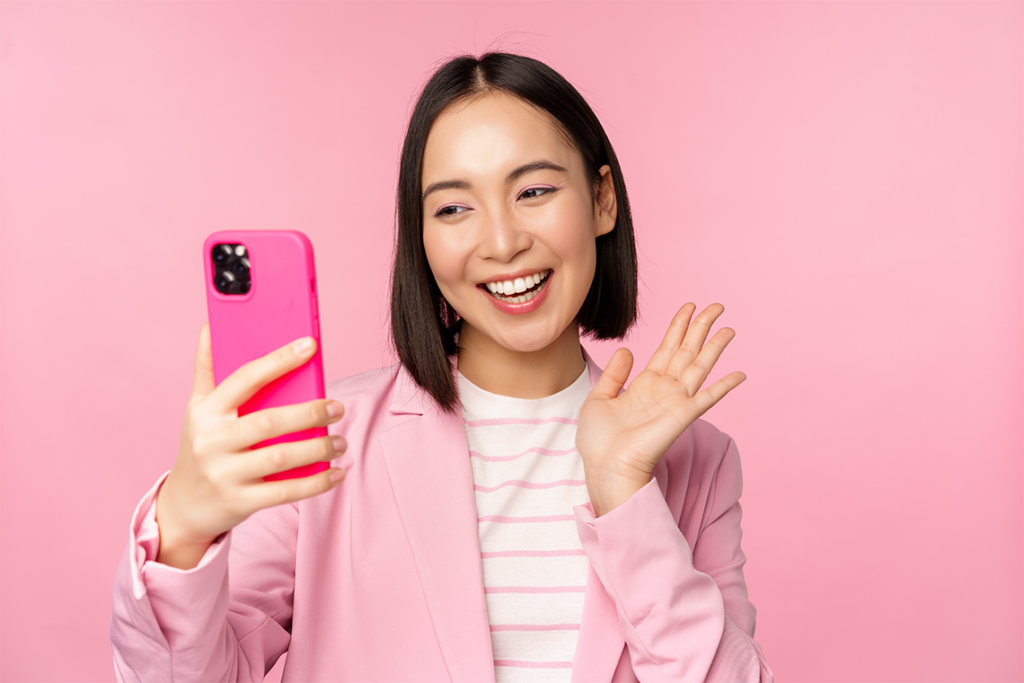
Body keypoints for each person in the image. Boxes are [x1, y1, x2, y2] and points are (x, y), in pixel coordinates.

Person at [110, 52, 773, 682]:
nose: (504, 242)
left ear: (602, 200)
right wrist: (184, 532)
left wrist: (624, 493)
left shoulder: (696, 462)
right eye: (454, 207)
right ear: (422, 240)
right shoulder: (323, 443)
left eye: (534, 190)